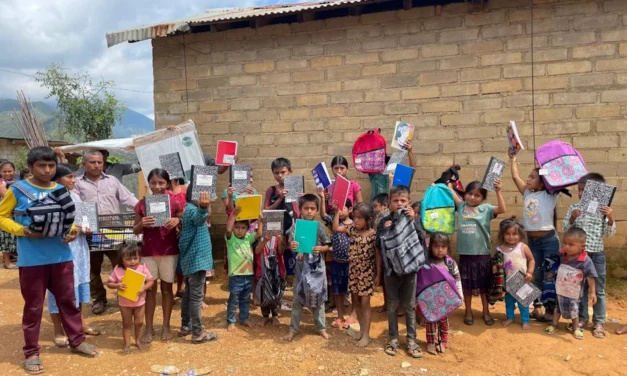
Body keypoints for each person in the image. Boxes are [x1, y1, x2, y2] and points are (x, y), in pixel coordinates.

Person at [0, 146, 98, 374]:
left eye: (51, 166)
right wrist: (23, 231)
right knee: (33, 308)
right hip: (32, 260)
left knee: (69, 302)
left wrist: (73, 231)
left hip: (62, 257)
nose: (46, 170)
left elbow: (68, 221)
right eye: (41, 166)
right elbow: (2, 217)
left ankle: (77, 340)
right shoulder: (18, 190)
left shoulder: (61, 190)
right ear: (31, 167)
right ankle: (32, 352)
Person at [74, 150, 138, 315]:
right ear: (84, 164)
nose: (96, 165)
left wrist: (143, 208)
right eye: (92, 162)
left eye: (99, 162)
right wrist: (83, 225)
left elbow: (128, 198)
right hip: (90, 234)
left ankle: (126, 295)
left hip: (114, 231)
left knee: (125, 264)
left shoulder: (112, 181)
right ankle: (99, 299)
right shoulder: (77, 184)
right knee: (92, 269)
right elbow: (76, 205)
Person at [47, 164, 101, 348]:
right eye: (69, 177)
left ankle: (80, 324)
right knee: (57, 289)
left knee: (77, 285)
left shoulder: (76, 196)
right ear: (57, 179)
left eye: (73, 176)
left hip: (79, 248)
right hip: (60, 249)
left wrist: (87, 228)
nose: (73, 180)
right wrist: (69, 229)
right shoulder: (49, 198)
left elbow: (86, 220)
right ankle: (58, 329)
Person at [133, 168, 185, 342]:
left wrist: (178, 221)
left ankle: (166, 326)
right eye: (153, 183)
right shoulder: (142, 204)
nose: (157, 186)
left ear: (167, 183)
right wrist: (142, 224)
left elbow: (184, 222)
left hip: (169, 251)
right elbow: (135, 230)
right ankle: (149, 329)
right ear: (149, 184)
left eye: (161, 182)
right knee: (150, 291)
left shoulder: (174, 202)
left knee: (167, 290)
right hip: (148, 252)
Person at [563, 173, 616, 338]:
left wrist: (610, 219)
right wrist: (572, 219)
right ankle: (583, 319)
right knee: (581, 289)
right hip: (579, 258)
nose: (580, 194)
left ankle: (599, 322)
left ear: (597, 192)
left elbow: (609, 234)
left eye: (584, 191)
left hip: (597, 256)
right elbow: (566, 230)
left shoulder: (602, 211)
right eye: (579, 190)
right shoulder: (574, 208)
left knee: (598, 289)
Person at [509, 150, 560, 322]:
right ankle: (536, 307)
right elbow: (515, 177)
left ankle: (551, 310)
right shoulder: (527, 193)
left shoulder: (550, 193)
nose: (528, 179)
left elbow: (555, 179)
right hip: (533, 241)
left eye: (532, 176)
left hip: (549, 241)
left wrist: (544, 169)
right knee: (534, 274)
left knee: (550, 275)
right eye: (528, 176)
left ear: (543, 181)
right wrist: (513, 158)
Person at [377, 185, 425, 359]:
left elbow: (421, 240)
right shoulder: (384, 221)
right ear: (389, 202)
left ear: (409, 202)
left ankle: (412, 340)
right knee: (392, 304)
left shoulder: (413, 219)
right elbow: (379, 245)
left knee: (410, 305)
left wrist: (414, 221)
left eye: (402, 200)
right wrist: (386, 230)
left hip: (410, 270)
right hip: (391, 271)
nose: (399, 204)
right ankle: (393, 338)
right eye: (395, 201)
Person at [449, 180, 506, 326]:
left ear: (483, 198)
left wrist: (498, 190)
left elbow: (502, 209)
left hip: (482, 255)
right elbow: (452, 193)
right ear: (465, 194)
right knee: (467, 286)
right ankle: (468, 311)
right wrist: (447, 184)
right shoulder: (461, 206)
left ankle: (486, 312)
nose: (472, 197)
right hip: (465, 255)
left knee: (483, 287)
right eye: (469, 194)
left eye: (477, 195)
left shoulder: (486, 209)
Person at [283, 194, 332, 341]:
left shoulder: (320, 226)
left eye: (312, 208)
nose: (309, 211)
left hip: (317, 269)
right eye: (306, 208)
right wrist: (292, 246)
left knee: (318, 299)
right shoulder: (296, 226)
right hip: (301, 268)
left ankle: (321, 328)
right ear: (301, 210)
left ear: (317, 210)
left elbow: (328, 246)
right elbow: (291, 246)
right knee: (297, 299)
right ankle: (293, 329)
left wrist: (321, 249)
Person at [333, 201, 378, 347]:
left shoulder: (373, 235)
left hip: (366, 272)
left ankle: (366, 334)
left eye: (360, 218)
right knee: (356, 301)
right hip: (353, 272)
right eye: (355, 217)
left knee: (365, 302)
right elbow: (335, 228)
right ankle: (361, 331)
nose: (356, 220)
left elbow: (378, 256)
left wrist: (378, 274)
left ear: (368, 219)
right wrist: (335, 212)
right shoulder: (351, 230)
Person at [177, 189, 218, 343]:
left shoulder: (188, 209)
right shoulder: (193, 210)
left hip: (191, 260)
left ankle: (185, 326)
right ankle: (197, 333)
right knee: (196, 297)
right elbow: (199, 218)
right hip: (197, 261)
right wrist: (203, 207)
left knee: (188, 294)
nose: (204, 196)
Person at [544, 227, 597, 340]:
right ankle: (554, 324)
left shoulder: (585, 260)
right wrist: (552, 272)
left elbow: (591, 276)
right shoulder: (562, 255)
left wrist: (592, 292)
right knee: (557, 308)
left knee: (574, 309)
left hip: (574, 292)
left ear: (582, 246)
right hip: (560, 289)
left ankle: (576, 327)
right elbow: (556, 264)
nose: (566, 247)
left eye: (571, 244)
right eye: (565, 243)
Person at [106, 244, 154, 353]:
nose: (132, 261)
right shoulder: (118, 270)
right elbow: (109, 283)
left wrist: (144, 287)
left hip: (140, 302)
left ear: (140, 258)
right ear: (121, 260)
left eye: (135, 258)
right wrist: (118, 285)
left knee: (139, 322)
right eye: (128, 259)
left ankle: (137, 341)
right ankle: (127, 344)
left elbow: (151, 281)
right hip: (124, 303)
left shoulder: (143, 268)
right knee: (126, 324)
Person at [423, 232, 462, 355]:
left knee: (443, 321)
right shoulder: (426, 263)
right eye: (436, 247)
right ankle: (430, 342)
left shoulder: (450, 263)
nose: (440, 250)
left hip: (445, 300)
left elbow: (457, 278)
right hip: (429, 300)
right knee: (430, 321)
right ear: (430, 247)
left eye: (443, 247)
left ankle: (443, 341)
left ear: (448, 248)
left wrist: (459, 295)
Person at [225, 207, 263, 331]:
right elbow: (228, 229)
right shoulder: (231, 240)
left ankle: (244, 318)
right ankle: (231, 321)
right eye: (237, 227)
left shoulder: (248, 238)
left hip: (248, 275)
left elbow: (259, 234)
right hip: (236, 275)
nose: (239, 231)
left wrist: (260, 221)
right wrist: (233, 215)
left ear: (247, 229)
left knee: (245, 299)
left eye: (243, 228)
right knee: (234, 299)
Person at [319, 189, 352, 329]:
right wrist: (322, 199)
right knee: (337, 290)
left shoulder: (353, 224)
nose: (340, 209)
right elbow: (323, 215)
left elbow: (336, 228)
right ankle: (340, 316)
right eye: (338, 207)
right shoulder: (334, 220)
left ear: (350, 209)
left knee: (353, 291)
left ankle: (353, 316)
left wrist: (337, 213)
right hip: (336, 262)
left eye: (343, 207)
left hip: (350, 263)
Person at [497, 217, 535, 330]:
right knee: (509, 302)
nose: (511, 236)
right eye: (507, 234)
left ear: (520, 235)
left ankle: (525, 320)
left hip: (522, 280)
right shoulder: (500, 249)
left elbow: (532, 260)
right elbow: (497, 263)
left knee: (523, 303)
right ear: (503, 235)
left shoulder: (523, 247)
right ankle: (510, 317)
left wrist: (530, 272)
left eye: (514, 234)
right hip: (507, 281)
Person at [264, 158, 297, 277]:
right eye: (276, 173)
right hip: (275, 228)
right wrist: (280, 198)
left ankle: (290, 279)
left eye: (283, 172)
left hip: (291, 228)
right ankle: (277, 280)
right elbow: (266, 210)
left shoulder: (295, 188)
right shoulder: (271, 190)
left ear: (290, 172)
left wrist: (300, 200)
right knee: (276, 254)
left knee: (292, 256)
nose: (280, 175)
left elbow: (298, 212)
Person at [56, 148, 141, 182]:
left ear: (107, 154)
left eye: (102, 153)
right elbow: (69, 178)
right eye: (96, 152)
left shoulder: (117, 170)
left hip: (115, 215)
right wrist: (62, 158)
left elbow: (138, 167)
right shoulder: (83, 172)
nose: (98, 155)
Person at [254, 233, 285, 326]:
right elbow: (257, 251)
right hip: (262, 271)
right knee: (264, 294)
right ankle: (265, 316)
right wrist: (264, 241)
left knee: (276, 293)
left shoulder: (278, 236)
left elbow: (281, 252)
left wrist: (280, 241)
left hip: (276, 272)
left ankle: (275, 315)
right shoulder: (258, 237)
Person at [0, 161, 18, 269]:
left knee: (13, 237)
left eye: (10, 171)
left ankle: (11, 259)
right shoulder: (1, 183)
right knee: (5, 238)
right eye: (4, 171)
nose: (7, 173)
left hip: (14, 212)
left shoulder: (16, 182)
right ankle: (7, 262)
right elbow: (8, 197)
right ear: (0, 172)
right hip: (4, 214)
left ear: (14, 171)